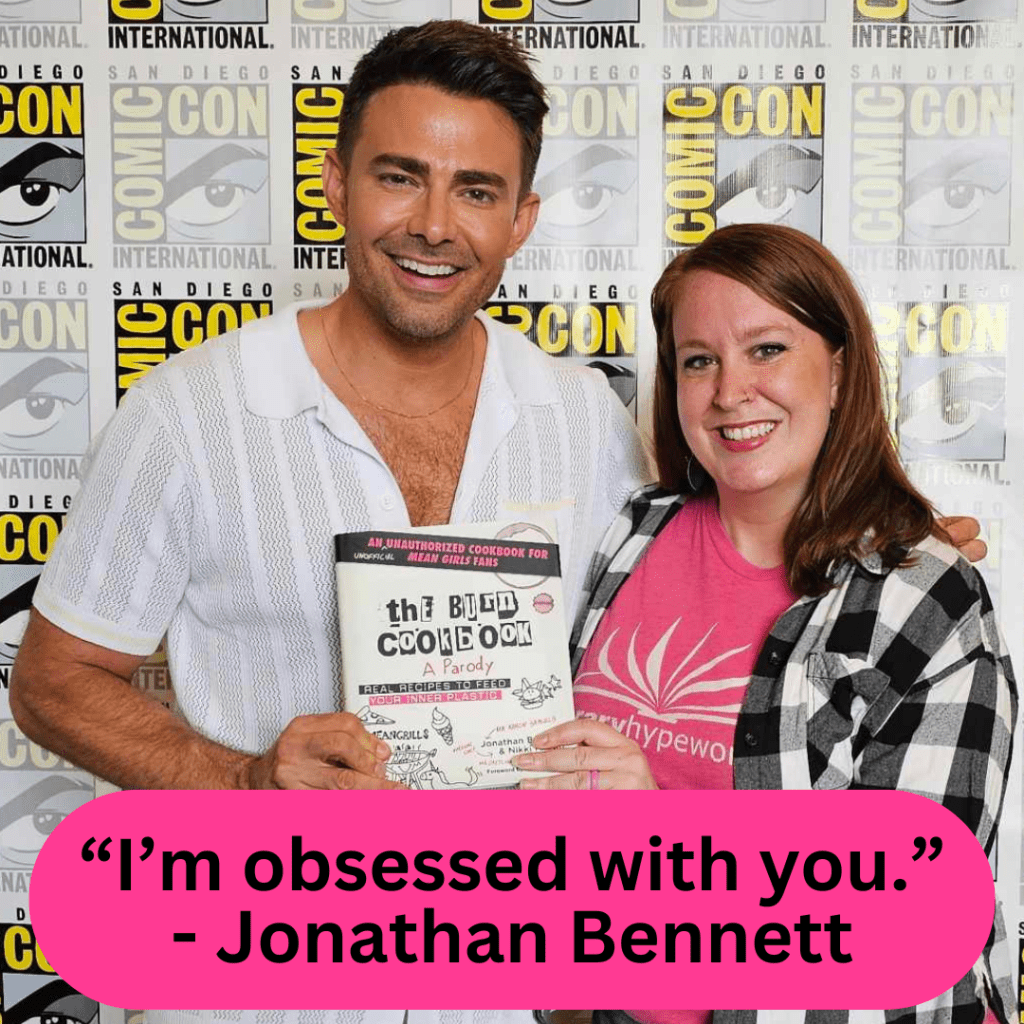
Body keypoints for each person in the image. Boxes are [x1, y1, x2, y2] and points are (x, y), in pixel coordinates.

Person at [7, 19, 650, 1024]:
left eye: (476, 191)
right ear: (336, 183)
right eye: (400, 177)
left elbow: (671, 638)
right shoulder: (188, 412)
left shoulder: (585, 420)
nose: (434, 225)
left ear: (521, 220)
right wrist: (244, 782)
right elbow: (51, 683)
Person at [514, 225, 1017, 1024]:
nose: (730, 391)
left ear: (840, 372)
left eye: (768, 350)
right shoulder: (629, 534)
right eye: (699, 360)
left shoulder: (924, 599)